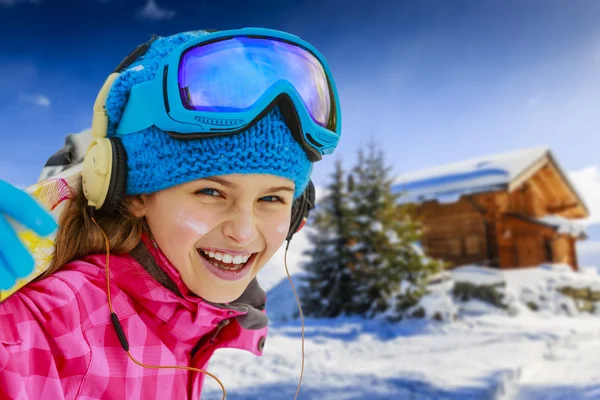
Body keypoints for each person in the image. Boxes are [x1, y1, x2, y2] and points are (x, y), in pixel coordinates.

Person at [0, 28, 341, 399]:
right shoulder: (54, 326)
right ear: (133, 194)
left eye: (271, 199)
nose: (243, 233)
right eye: (210, 192)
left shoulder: (186, 320)